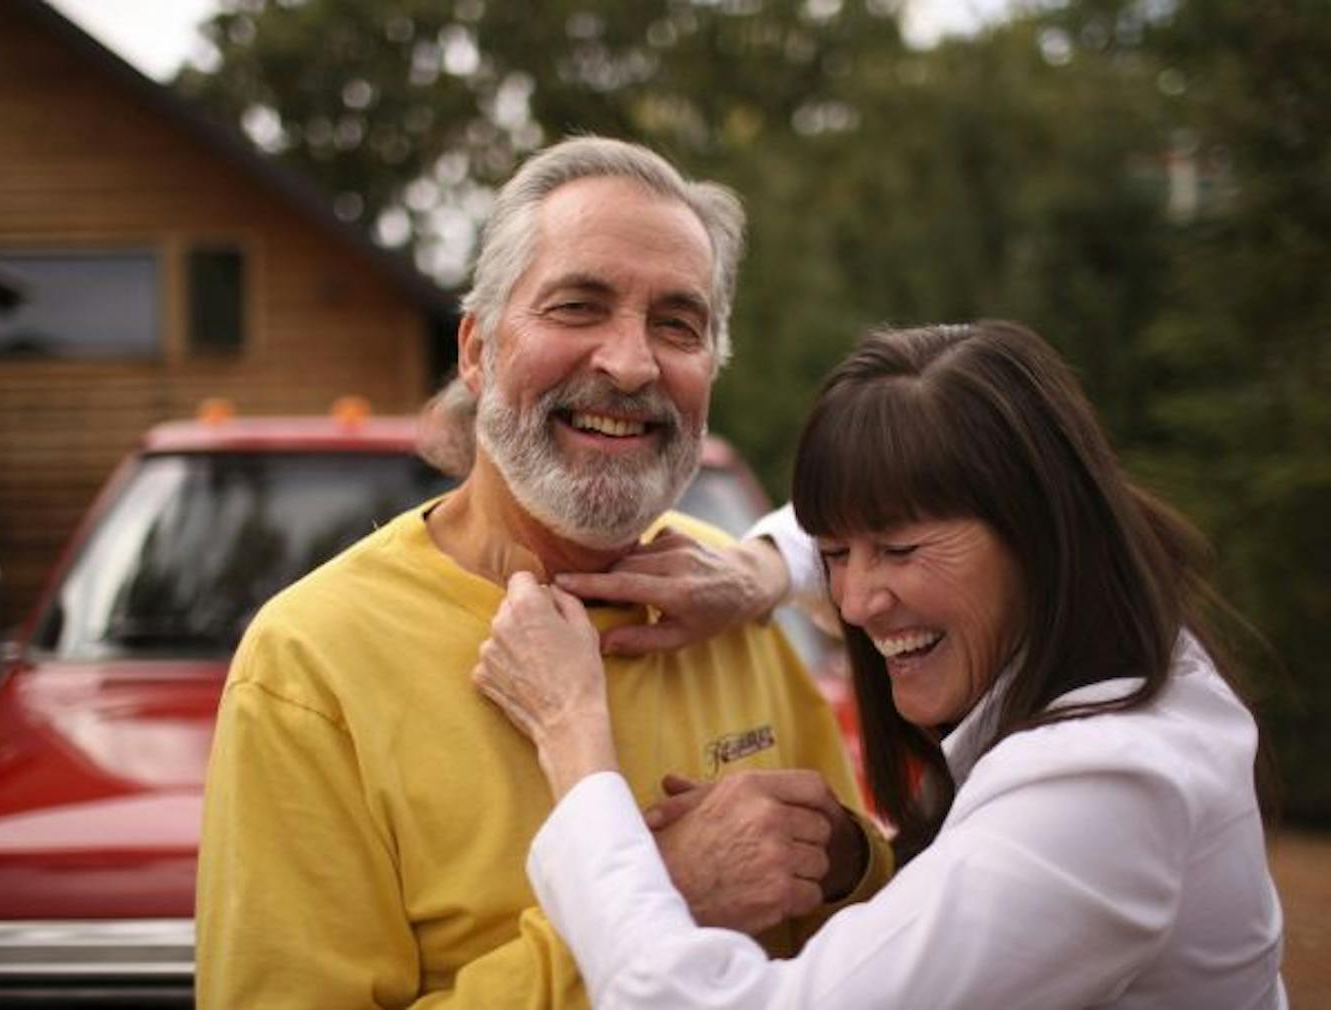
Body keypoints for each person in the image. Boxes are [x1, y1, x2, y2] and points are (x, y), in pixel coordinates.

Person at [195, 136, 891, 1010]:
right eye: (578, 307)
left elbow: (867, 953)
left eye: (678, 324)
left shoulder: (726, 606)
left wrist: (848, 859)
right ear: (478, 350)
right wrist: (650, 899)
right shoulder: (310, 664)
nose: (631, 363)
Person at [474, 320, 1287, 1009]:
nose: (857, 605)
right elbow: (865, 512)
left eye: (897, 551)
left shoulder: (1107, 787)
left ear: (1041, 532)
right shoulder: (1126, 654)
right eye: (837, 556)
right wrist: (763, 570)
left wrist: (575, 738)